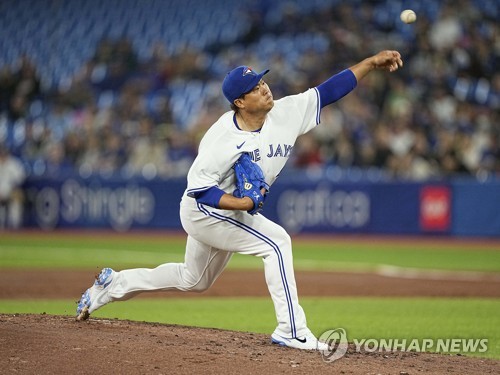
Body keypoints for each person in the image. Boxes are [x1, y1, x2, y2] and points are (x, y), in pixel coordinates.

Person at [76, 50, 403, 350]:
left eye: (262, 81)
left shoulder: (284, 114)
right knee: (276, 242)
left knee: (195, 279)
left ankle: (113, 284)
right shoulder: (222, 139)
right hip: (204, 211)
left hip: (223, 210)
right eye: (255, 87)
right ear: (240, 102)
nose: (265, 88)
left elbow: (328, 91)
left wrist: (371, 64)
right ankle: (291, 329)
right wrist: (243, 205)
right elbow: (200, 190)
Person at [0, 145, 26, 229]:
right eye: (1, 153)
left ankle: (15, 228)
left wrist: (13, 190)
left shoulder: (14, 163)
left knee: (17, 199)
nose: (3, 155)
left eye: (4, 153)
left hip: (11, 192)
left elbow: (21, 179)